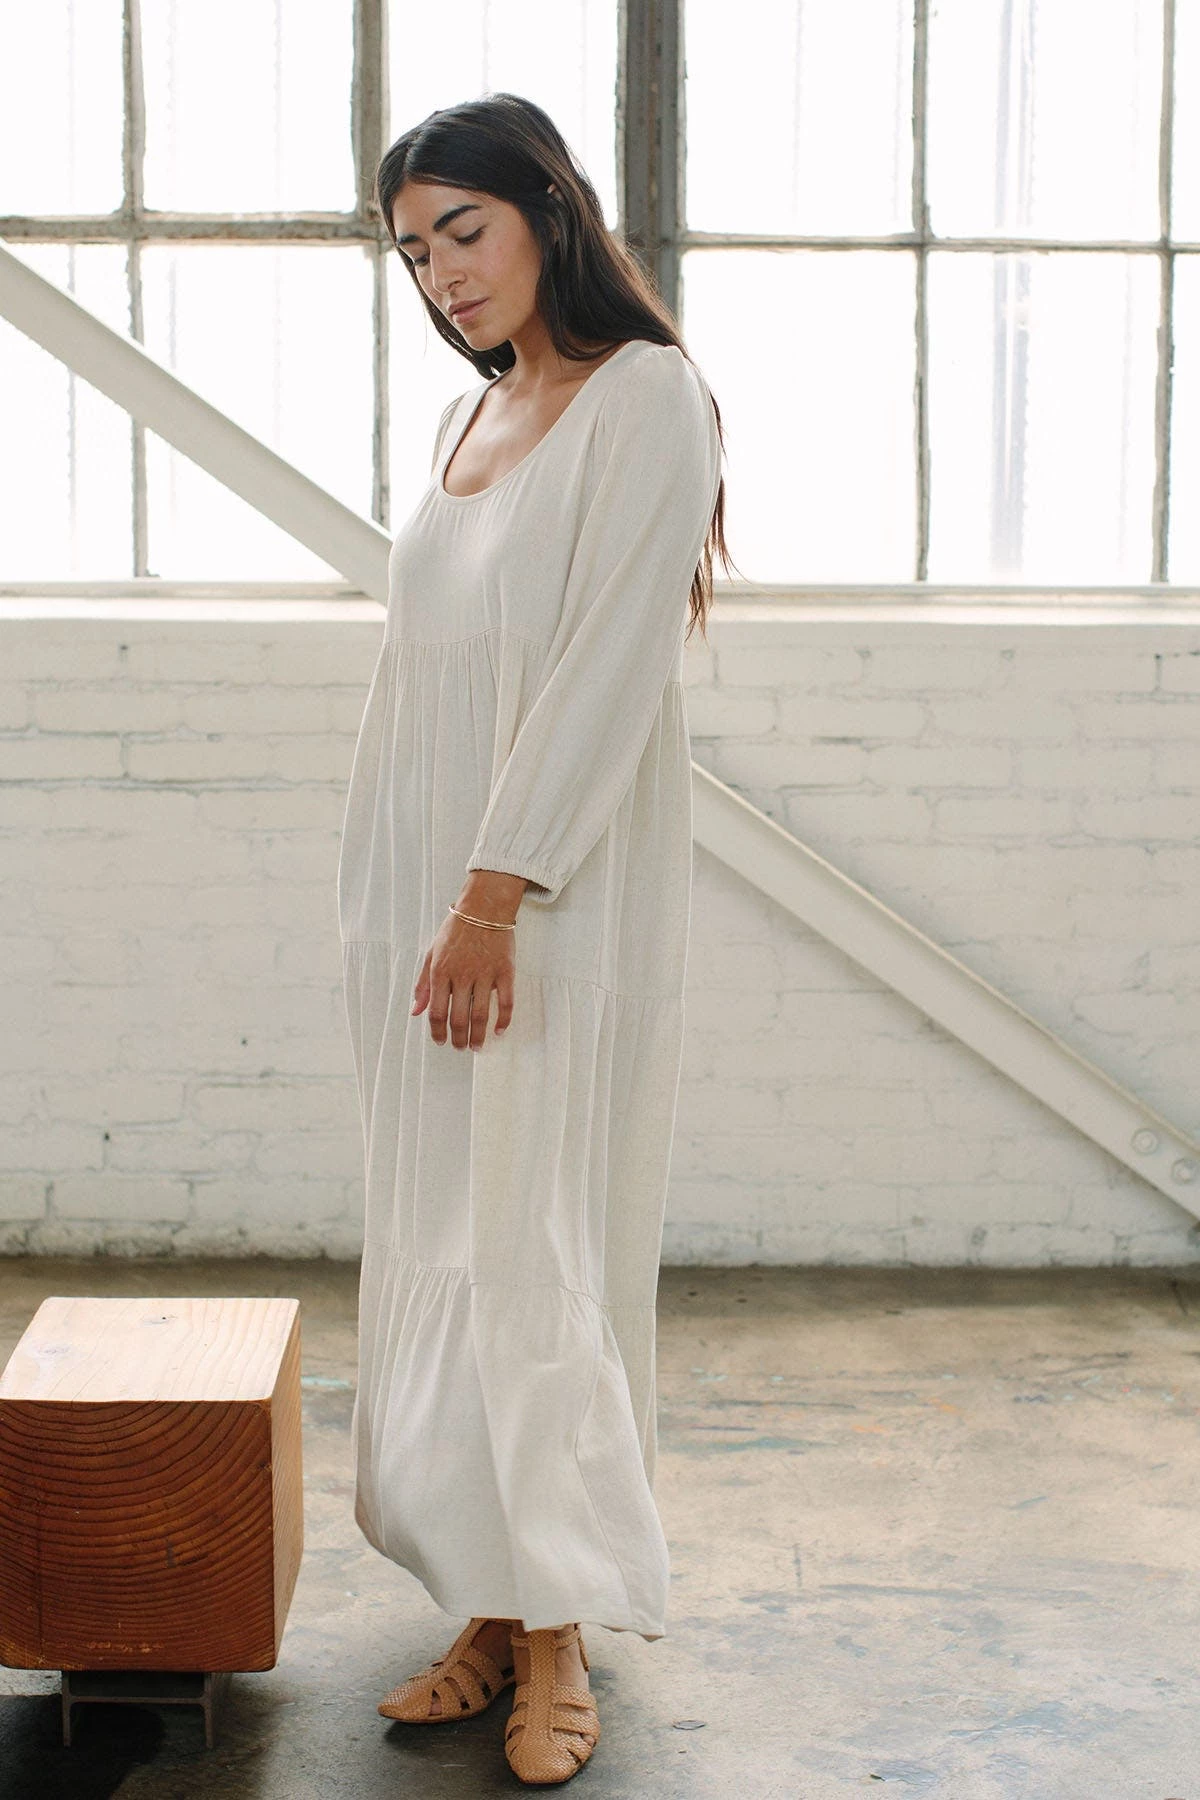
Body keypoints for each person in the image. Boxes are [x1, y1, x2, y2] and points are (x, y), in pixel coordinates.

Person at [336, 91, 735, 1785]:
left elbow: (606, 670)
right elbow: (422, 677)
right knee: (445, 1232)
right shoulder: (467, 415)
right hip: (424, 906)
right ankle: (490, 1603)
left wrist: (494, 896)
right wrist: (415, 904)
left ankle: (562, 1625)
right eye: (413, 250)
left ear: (549, 213)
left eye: (465, 230)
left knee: (537, 1240)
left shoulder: (645, 397)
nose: (441, 272)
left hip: (538, 901)